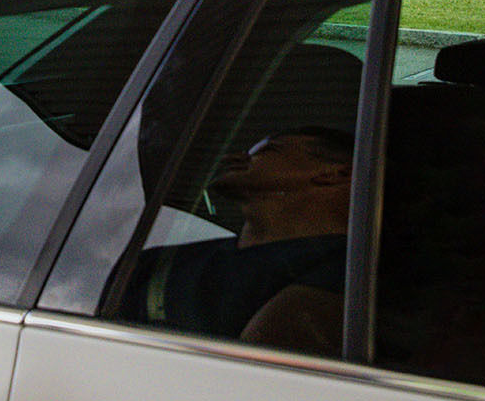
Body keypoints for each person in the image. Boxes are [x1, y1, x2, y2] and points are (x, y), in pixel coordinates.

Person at [121, 127, 352, 351]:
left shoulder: (355, 273)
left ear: (337, 174)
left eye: (267, 150)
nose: (233, 157)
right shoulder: (155, 262)